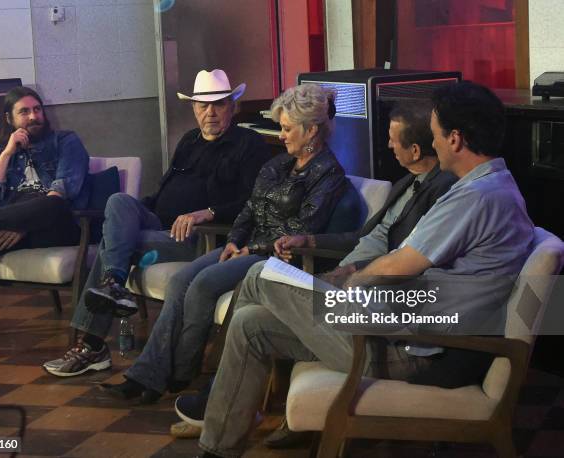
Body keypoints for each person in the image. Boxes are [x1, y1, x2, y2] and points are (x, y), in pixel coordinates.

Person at [191, 81, 534, 458]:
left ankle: (209, 401)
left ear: (454, 139)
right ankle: (217, 448)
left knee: (259, 275)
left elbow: (397, 265)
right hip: (398, 331)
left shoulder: (477, 197)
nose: (432, 143)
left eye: (435, 135)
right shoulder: (489, 188)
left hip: (409, 350)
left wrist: (344, 289)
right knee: (250, 324)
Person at [96, 83, 347, 404]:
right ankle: (146, 375)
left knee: (201, 284)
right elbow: (250, 207)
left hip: (278, 258)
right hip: (246, 246)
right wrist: (233, 240)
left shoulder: (329, 174)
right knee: (180, 282)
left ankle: (180, 373)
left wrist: (250, 249)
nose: (281, 136)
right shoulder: (280, 163)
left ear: (312, 130)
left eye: (286, 129)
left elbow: (301, 228)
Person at [43, 69, 271, 377]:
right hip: (159, 224)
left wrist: (209, 212)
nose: (210, 112)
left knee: (113, 246)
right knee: (119, 202)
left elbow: (253, 201)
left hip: (198, 238)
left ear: (233, 106)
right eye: (203, 106)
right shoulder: (189, 140)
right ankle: (112, 287)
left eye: (218, 104)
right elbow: (163, 190)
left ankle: (92, 342)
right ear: (193, 108)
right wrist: (137, 209)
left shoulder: (249, 144)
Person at [261, 99, 458, 448]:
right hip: (349, 290)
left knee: (259, 277)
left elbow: (405, 259)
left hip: (373, 312)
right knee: (252, 314)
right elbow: (365, 237)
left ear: (414, 149)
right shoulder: (403, 184)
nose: (386, 145)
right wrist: (311, 240)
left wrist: (350, 273)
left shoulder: (444, 195)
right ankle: (231, 431)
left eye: (392, 140)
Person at [0, 86, 90, 362]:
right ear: (9, 120)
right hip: (11, 226)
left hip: (59, 224)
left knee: (51, 203)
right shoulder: (6, 152)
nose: (33, 117)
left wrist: (25, 224)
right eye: (24, 112)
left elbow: (63, 192)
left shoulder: (66, 141)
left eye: (37, 110)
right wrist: (6, 153)